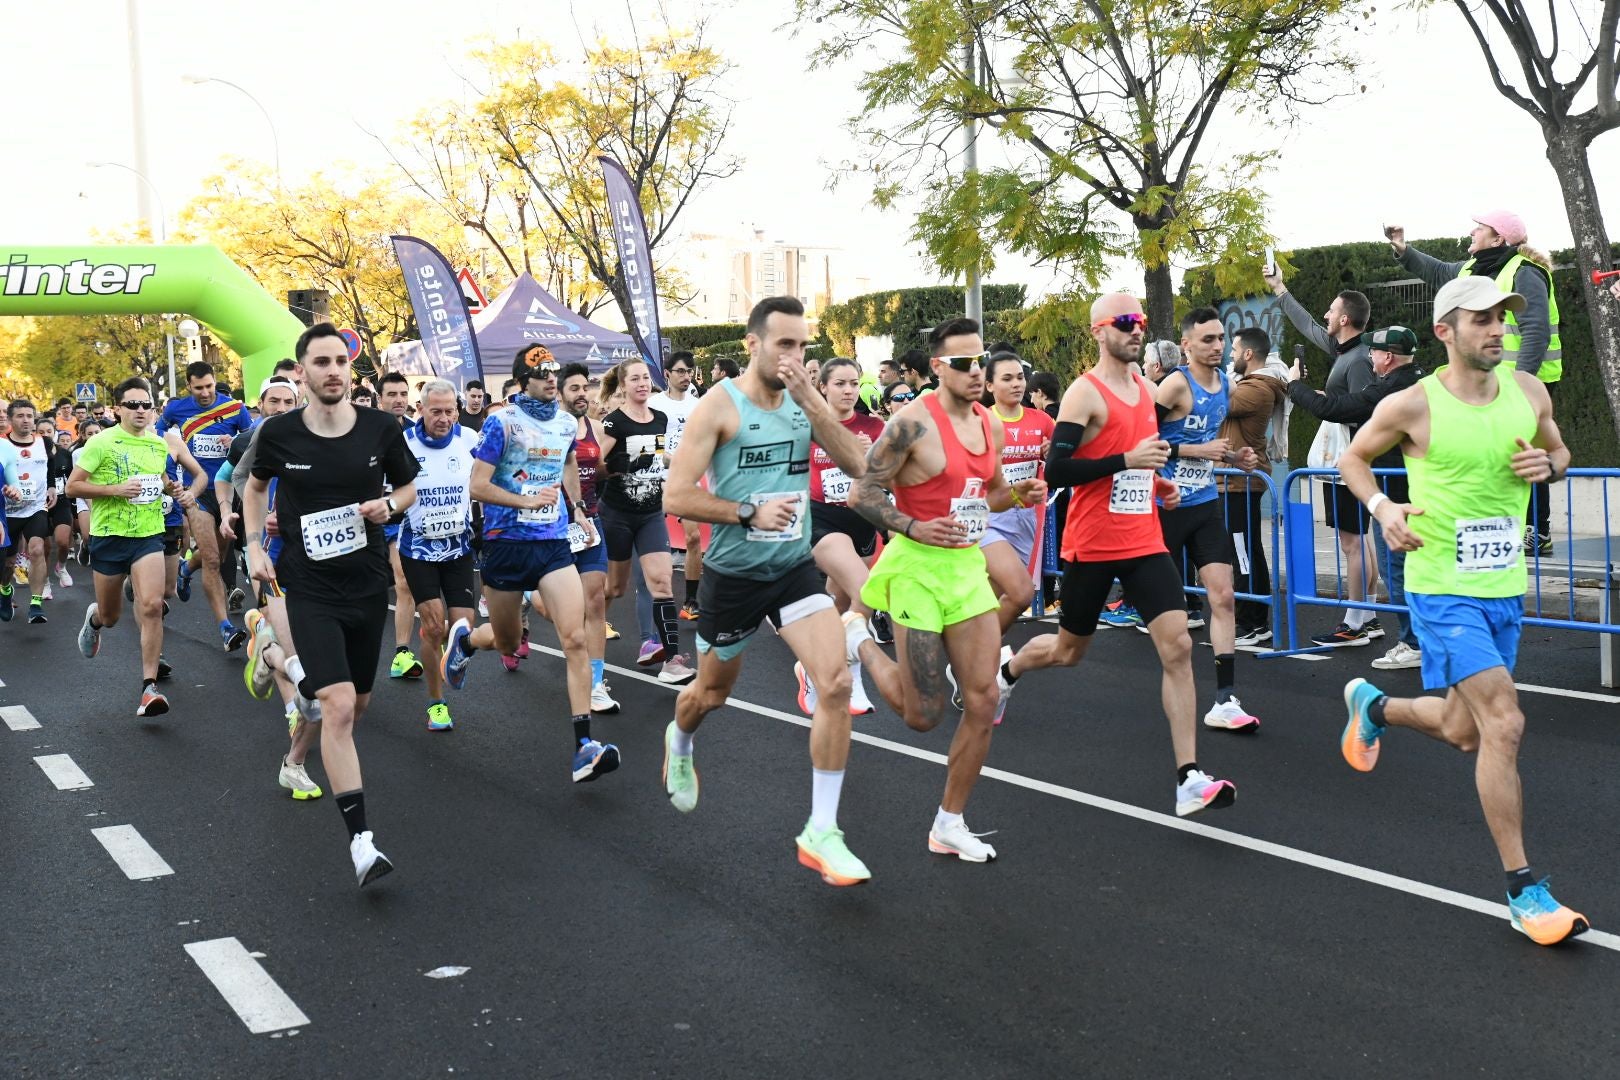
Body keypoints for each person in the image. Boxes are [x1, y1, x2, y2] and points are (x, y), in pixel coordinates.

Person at [1336, 276, 1585, 946]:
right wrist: (1385, 509)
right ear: (1445, 330)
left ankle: (1375, 708)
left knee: (1463, 730)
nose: (1498, 330)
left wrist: (1550, 465)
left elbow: (1559, 448)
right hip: (1441, 585)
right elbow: (1351, 459)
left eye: (1503, 319)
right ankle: (1524, 891)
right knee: (1504, 721)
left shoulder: (1529, 391)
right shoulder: (1413, 404)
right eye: (1482, 320)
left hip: (1504, 586)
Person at [661, 296, 875, 886]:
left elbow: (860, 466)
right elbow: (675, 497)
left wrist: (813, 400)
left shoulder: (806, 403)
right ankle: (679, 741)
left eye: (803, 345)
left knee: (834, 683)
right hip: (733, 576)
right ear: (753, 344)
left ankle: (822, 831)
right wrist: (747, 511)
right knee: (710, 695)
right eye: (785, 344)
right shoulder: (718, 407)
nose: (795, 356)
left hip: (792, 568)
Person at [997, 293, 1238, 818]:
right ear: (1098, 333)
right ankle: (1007, 673)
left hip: (1144, 540)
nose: (1137, 331)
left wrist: (1160, 484)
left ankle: (1189, 778)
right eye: (1125, 323)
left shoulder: (1148, 389)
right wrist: (1127, 459)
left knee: (1176, 647)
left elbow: (1142, 462)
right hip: (1092, 544)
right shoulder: (1084, 394)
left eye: (1142, 323)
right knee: (1068, 651)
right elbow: (1057, 472)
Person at [844, 317, 1046, 862]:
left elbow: (992, 496)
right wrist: (911, 525)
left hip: (964, 568)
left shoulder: (991, 425)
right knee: (922, 715)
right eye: (963, 364)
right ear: (938, 368)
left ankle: (948, 823)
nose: (976, 372)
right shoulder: (910, 425)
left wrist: (1021, 493)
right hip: (915, 568)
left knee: (981, 700)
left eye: (980, 361)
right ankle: (857, 638)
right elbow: (861, 492)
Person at [245, 322, 420, 888]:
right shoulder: (278, 433)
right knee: (339, 706)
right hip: (309, 588)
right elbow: (253, 488)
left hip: (368, 585)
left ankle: (276, 671)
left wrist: (388, 507)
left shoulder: (379, 427)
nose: (333, 371)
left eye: (340, 361)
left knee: (355, 706)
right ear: (302, 373)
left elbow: (408, 489)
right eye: (320, 362)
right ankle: (362, 844)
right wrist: (253, 547)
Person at [442, 352, 614, 782]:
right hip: (505, 545)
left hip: (552, 543)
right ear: (522, 381)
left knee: (573, 637)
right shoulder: (502, 422)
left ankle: (583, 748)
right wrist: (525, 500)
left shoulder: (564, 424)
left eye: (554, 373)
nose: (551, 380)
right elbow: (477, 486)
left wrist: (575, 508)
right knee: (505, 642)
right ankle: (464, 644)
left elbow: (569, 461)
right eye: (542, 375)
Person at [1385, 214, 1560, 556]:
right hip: (1490, 382)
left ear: (1498, 239)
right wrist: (1404, 249)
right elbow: (1436, 271)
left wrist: (1522, 382)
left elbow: (1536, 330)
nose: (1471, 231)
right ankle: (1502, 526)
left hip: (1527, 381)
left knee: (1526, 452)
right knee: (1496, 454)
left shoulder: (1525, 272)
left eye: (1479, 228)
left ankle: (1538, 531)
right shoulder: (1471, 269)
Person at [1288, 326, 1426, 669]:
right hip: (1417, 490)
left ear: (1388, 357)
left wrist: (1294, 386)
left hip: (1395, 494)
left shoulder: (1390, 389)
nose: (1370, 357)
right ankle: (1422, 638)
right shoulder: (1421, 381)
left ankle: (1413, 642)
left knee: (1398, 570)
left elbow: (1338, 409)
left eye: (1374, 352)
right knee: (1414, 568)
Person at [1152, 308, 1262, 732]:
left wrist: (1237, 457)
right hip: (1164, 507)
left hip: (1203, 505)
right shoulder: (1176, 384)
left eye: (1220, 338)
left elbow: (1208, 442)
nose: (1217, 346)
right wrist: (1197, 453)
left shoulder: (1228, 385)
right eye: (1207, 340)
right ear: (1187, 345)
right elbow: (1144, 441)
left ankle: (1224, 699)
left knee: (1223, 596)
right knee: (1165, 614)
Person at [1264, 268, 1382, 646]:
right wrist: (1279, 289)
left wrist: (1307, 393)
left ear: (1345, 319)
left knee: (1353, 543)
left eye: (1332, 311)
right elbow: (1310, 326)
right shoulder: (1346, 351)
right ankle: (1370, 616)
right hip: (1352, 462)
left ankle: (1354, 623)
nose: (1326, 316)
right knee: (1361, 541)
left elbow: (1359, 410)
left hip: (1351, 463)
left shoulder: (1359, 359)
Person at [218, 376, 323, 800]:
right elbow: (232, 479)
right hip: (272, 553)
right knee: (303, 661)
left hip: (319, 555)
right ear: (259, 404)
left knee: (306, 650)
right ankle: (291, 723)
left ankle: (264, 648)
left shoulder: (317, 430)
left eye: (288, 400)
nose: (280, 407)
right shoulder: (254, 436)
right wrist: (239, 516)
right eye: (273, 401)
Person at [68, 377, 195, 717]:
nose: (140, 411)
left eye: (146, 405)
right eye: (132, 405)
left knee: (152, 605)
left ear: (154, 410)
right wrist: (114, 489)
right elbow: (72, 487)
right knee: (111, 616)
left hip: (149, 536)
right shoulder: (102, 443)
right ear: (118, 409)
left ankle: (148, 688)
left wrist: (177, 492)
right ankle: (94, 619)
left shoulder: (157, 445)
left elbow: (163, 484)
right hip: (109, 536)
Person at [797, 357, 885, 716]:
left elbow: (886, 479)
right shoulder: (808, 426)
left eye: (853, 383)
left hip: (861, 519)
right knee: (867, 590)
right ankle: (851, 673)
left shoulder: (875, 427)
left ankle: (810, 668)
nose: (848, 390)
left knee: (838, 605)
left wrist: (868, 457)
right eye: (840, 384)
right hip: (822, 519)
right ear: (824, 387)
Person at [599, 358, 692, 682]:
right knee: (614, 587)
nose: (641, 383)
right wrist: (617, 465)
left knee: (662, 582)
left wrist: (680, 462)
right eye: (634, 379)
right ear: (623, 385)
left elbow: (658, 453)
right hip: (618, 516)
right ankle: (587, 630)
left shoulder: (661, 418)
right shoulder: (615, 422)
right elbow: (596, 465)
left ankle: (671, 661)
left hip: (651, 513)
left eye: (644, 378)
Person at [397, 379, 480, 732]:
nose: (443, 418)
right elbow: (389, 491)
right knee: (433, 628)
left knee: (464, 628)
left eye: (449, 411)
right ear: (421, 410)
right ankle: (436, 703)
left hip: (459, 546)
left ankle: (454, 660)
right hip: (418, 549)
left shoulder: (470, 441)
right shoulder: (402, 445)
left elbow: (490, 479)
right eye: (436, 412)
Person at [158, 361, 252, 650]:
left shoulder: (235, 409)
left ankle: (186, 570)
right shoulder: (176, 410)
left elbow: (255, 441)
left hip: (227, 491)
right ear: (189, 386)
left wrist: (233, 440)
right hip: (196, 491)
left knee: (220, 553)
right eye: (199, 388)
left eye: (209, 386)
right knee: (212, 558)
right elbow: (155, 439)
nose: (205, 392)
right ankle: (225, 628)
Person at [1219, 327, 1288, 645]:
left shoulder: (1256, 389)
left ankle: (1253, 623)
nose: (1229, 355)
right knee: (1245, 551)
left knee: (1243, 552)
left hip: (1241, 482)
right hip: (1233, 482)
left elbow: (1216, 404)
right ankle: (1253, 621)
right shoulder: (1248, 385)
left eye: (1233, 349)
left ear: (1248, 354)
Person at [558, 363, 619, 714]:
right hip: (552, 526)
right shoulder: (548, 430)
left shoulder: (596, 428)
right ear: (561, 392)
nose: (583, 394)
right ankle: (527, 597)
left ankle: (595, 682)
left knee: (595, 601)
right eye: (575, 388)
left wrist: (622, 466)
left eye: (587, 387)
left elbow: (597, 471)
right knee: (556, 609)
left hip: (589, 523)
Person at [979, 351, 1054, 633]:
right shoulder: (981, 421)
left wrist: (1051, 456)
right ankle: (980, 654)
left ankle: (970, 655)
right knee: (1021, 592)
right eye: (1007, 378)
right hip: (988, 517)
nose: (1016, 384)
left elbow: (1061, 467)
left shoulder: (1042, 421)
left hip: (1025, 518)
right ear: (989, 386)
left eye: (1020, 377)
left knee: (997, 597)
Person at [376, 372, 424, 680]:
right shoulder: (363, 428)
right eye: (391, 394)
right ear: (380, 398)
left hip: (398, 520)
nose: (398, 399)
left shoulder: (414, 433)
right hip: (363, 521)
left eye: (402, 393)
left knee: (404, 582)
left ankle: (402, 653)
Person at [650, 352, 704, 620]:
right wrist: (672, 459)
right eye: (681, 371)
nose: (686, 376)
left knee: (693, 538)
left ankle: (691, 602)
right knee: (652, 543)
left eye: (689, 371)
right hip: (656, 478)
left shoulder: (697, 405)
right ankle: (647, 590)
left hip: (685, 479)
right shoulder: (654, 404)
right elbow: (652, 441)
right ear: (667, 374)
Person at [4, 399, 65, 624]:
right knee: (7, 563)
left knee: (37, 549)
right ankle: (4, 590)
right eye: (20, 416)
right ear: (11, 420)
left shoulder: (45, 442)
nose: (26, 420)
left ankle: (36, 603)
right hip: (8, 511)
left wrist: (51, 487)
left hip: (35, 507)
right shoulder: (2, 445)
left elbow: (49, 467)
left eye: (30, 416)